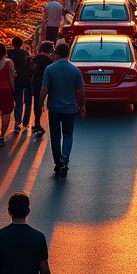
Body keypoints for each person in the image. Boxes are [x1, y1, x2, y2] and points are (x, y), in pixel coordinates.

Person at [37, 42, 87, 177]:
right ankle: (64, 159)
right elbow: (81, 89)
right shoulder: (75, 70)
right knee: (68, 135)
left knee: (55, 135)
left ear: (56, 54)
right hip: (70, 109)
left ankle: (58, 162)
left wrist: (40, 102)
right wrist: (82, 105)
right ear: (68, 53)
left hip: (54, 108)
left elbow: (44, 88)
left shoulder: (50, 69)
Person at [7, 37, 32, 135]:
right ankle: (26, 122)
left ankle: (17, 122)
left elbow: (9, 67)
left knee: (18, 101)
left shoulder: (10, 54)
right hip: (26, 79)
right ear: (21, 44)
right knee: (28, 102)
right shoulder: (25, 53)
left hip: (16, 79)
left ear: (13, 43)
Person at [29, 41, 54, 137]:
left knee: (37, 103)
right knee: (43, 102)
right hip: (45, 84)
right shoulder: (49, 60)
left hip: (35, 82)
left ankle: (36, 123)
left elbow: (30, 68)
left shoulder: (36, 57)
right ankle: (38, 125)